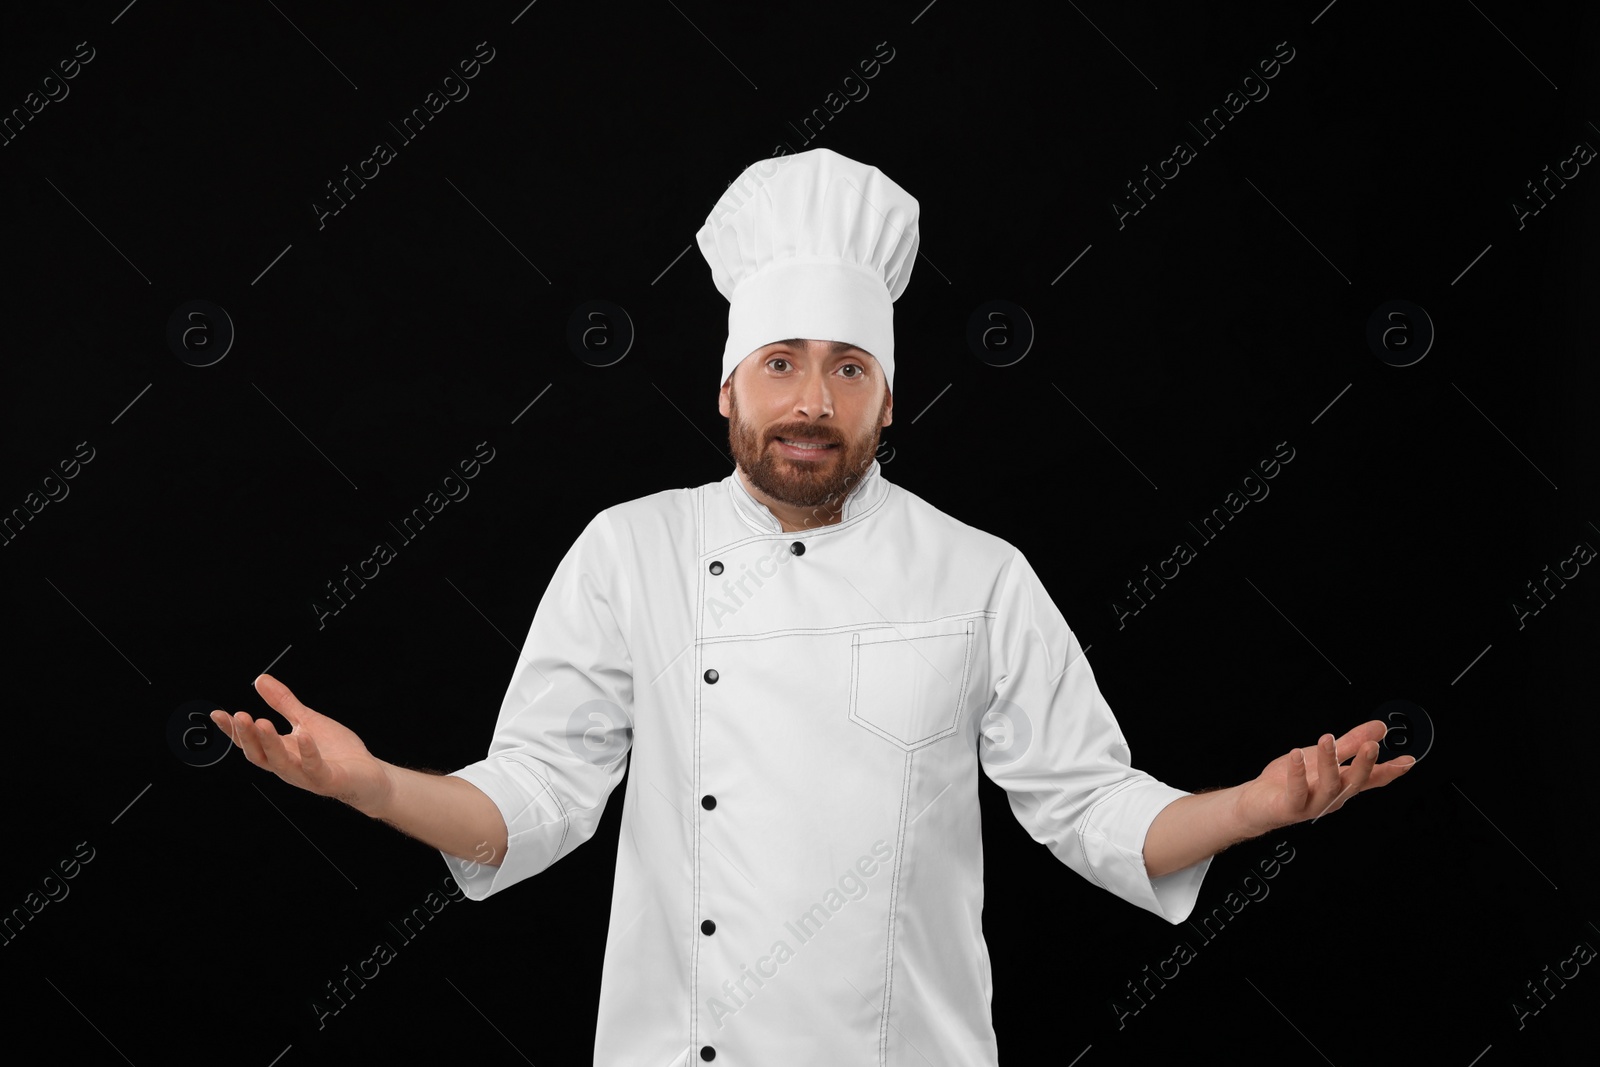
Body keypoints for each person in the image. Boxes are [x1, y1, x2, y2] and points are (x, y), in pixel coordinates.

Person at [212, 148, 1415, 1065]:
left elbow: (1093, 807)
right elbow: (532, 802)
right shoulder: (632, 551)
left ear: (888, 401)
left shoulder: (975, 573)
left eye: (848, 366)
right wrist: (369, 786)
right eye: (780, 361)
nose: (811, 398)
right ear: (726, 383)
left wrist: (1253, 806)